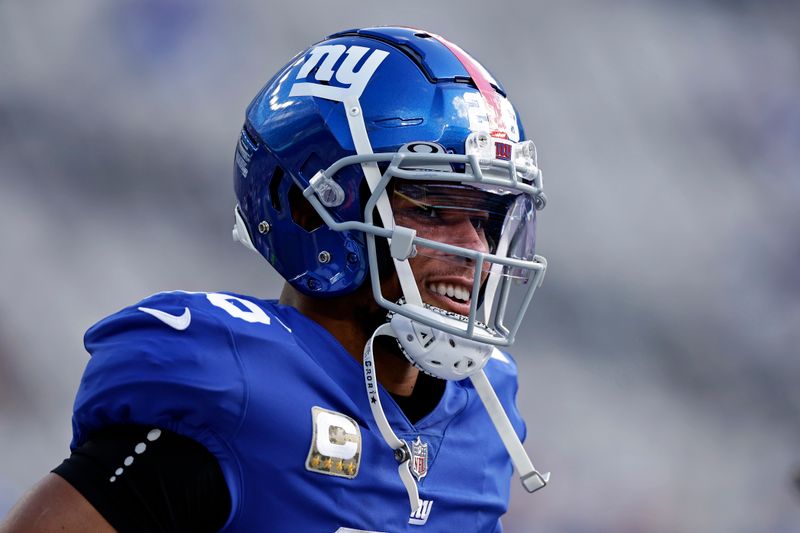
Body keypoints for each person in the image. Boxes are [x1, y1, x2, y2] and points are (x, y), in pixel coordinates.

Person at [0, 26, 549, 532]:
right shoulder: (240, 385)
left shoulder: (482, 417)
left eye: (486, 216)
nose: (476, 247)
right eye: (433, 207)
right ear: (308, 209)